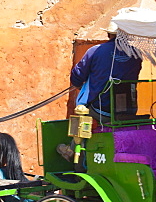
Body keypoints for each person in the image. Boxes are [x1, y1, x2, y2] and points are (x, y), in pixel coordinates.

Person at [57, 22, 142, 161]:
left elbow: (77, 76)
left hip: (100, 109)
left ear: (109, 34)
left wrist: (81, 84)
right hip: (128, 110)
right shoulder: (136, 54)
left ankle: (73, 150)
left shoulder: (96, 50)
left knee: (82, 110)